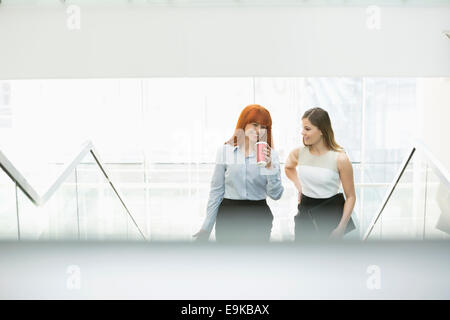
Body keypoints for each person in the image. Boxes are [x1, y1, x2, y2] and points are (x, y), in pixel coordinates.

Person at [193, 104, 284, 242]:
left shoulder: (272, 155)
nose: (259, 130)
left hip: (258, 215)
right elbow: (216, 192)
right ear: (244, 124)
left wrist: (270, 167)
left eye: (263, 127)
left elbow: (276, 195)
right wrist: (206, 227)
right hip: (229, 215)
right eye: (254, 124)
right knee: (228, 261)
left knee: (255, 262)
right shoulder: (225, 151)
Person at [284, 107, 356, 241]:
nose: (302, 132)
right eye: (302, 128)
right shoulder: (298, 153)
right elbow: (288, 167)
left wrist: (341, 228)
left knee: (328, 260)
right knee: (302, 260)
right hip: (304, 215)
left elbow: (351, 196)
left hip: (329, 219)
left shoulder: (340, 158)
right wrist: (299, 186)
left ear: (322, 130)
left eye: (307, 129)